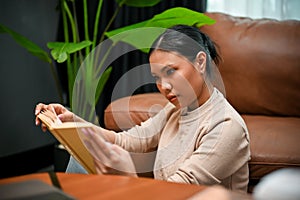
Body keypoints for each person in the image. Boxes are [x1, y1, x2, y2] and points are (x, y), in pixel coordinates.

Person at [35, 25, 250, 192]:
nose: (164, 87)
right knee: (83, 158)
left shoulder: (226, 127)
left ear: (200, 62)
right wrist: (71, 120)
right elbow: (124, 140)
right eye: (157, 77)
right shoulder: (175, 109)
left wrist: (127, 177)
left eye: (171, 71)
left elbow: (178, 192)